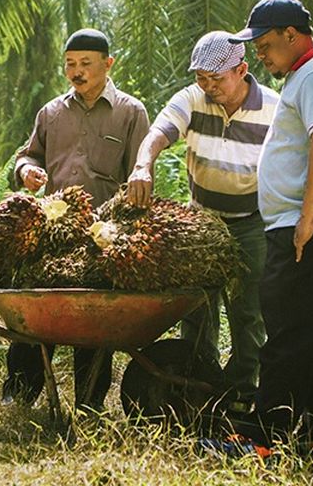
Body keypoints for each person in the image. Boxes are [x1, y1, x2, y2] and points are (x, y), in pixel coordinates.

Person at [230, 0, 313, 457]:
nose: (260, 56)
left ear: (291, 34)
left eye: (265, 45)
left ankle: (265, 441)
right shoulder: (308, 76)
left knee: (285, 330)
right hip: (311, 220)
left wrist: (307, 218)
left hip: (308, 225)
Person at [125, 31, 278, 405]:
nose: (208, 87)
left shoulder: (274, 108)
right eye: (201, 78)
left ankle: (242, 392)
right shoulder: (192, 99)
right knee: (196, 307)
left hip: (252, 221)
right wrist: (143, 166)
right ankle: (196, 386)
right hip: (202, 220)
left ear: (241, 70)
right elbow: (157, 134)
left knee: (248, 312)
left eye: (217, 79)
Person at [2, 28, 149, 409]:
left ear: (108, 64)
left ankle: (89, 402)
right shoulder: (51, 113)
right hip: (52, 233)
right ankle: (18, 396)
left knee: (94, 321)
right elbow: (27, 155)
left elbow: (140, 178)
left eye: (86, 63)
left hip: (103, 237)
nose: (76, 72)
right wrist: (25, 171)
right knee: (36, 316)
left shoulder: (131, 113)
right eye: (70, 64)